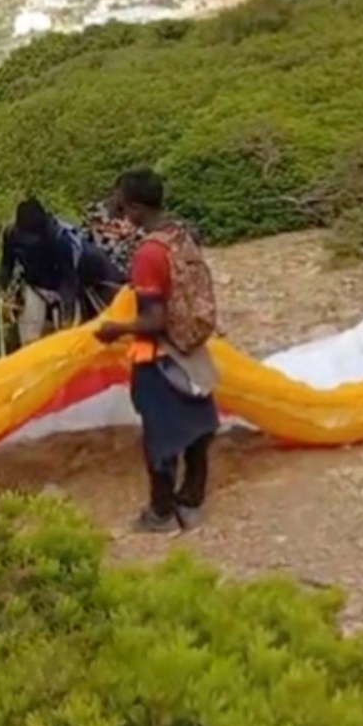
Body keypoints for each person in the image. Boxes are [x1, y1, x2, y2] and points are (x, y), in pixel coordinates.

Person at [96, 169, 219, 535]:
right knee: (198, 429)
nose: (120, 211)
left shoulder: (149, 254)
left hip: (160, 356)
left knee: (160, 437)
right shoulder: (180, 235)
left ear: (135, 207)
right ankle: (192, 501)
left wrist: (116, 329)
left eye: (122, 205)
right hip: (191, 347)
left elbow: (154, 319)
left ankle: (161, 513)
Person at [0, 198, 124, 346]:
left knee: (69, 338)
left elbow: (69, 280)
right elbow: (7, 263)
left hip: (68, 282)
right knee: (29, 340)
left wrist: (67, 316)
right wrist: (3, 290)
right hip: (35, 285)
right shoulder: (12, 234)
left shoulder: (61, 240)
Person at [82, 175, 145, 276]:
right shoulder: (95, 211)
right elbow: (84, 239)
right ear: (116, 190)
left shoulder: (136, 219)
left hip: (121, 272)